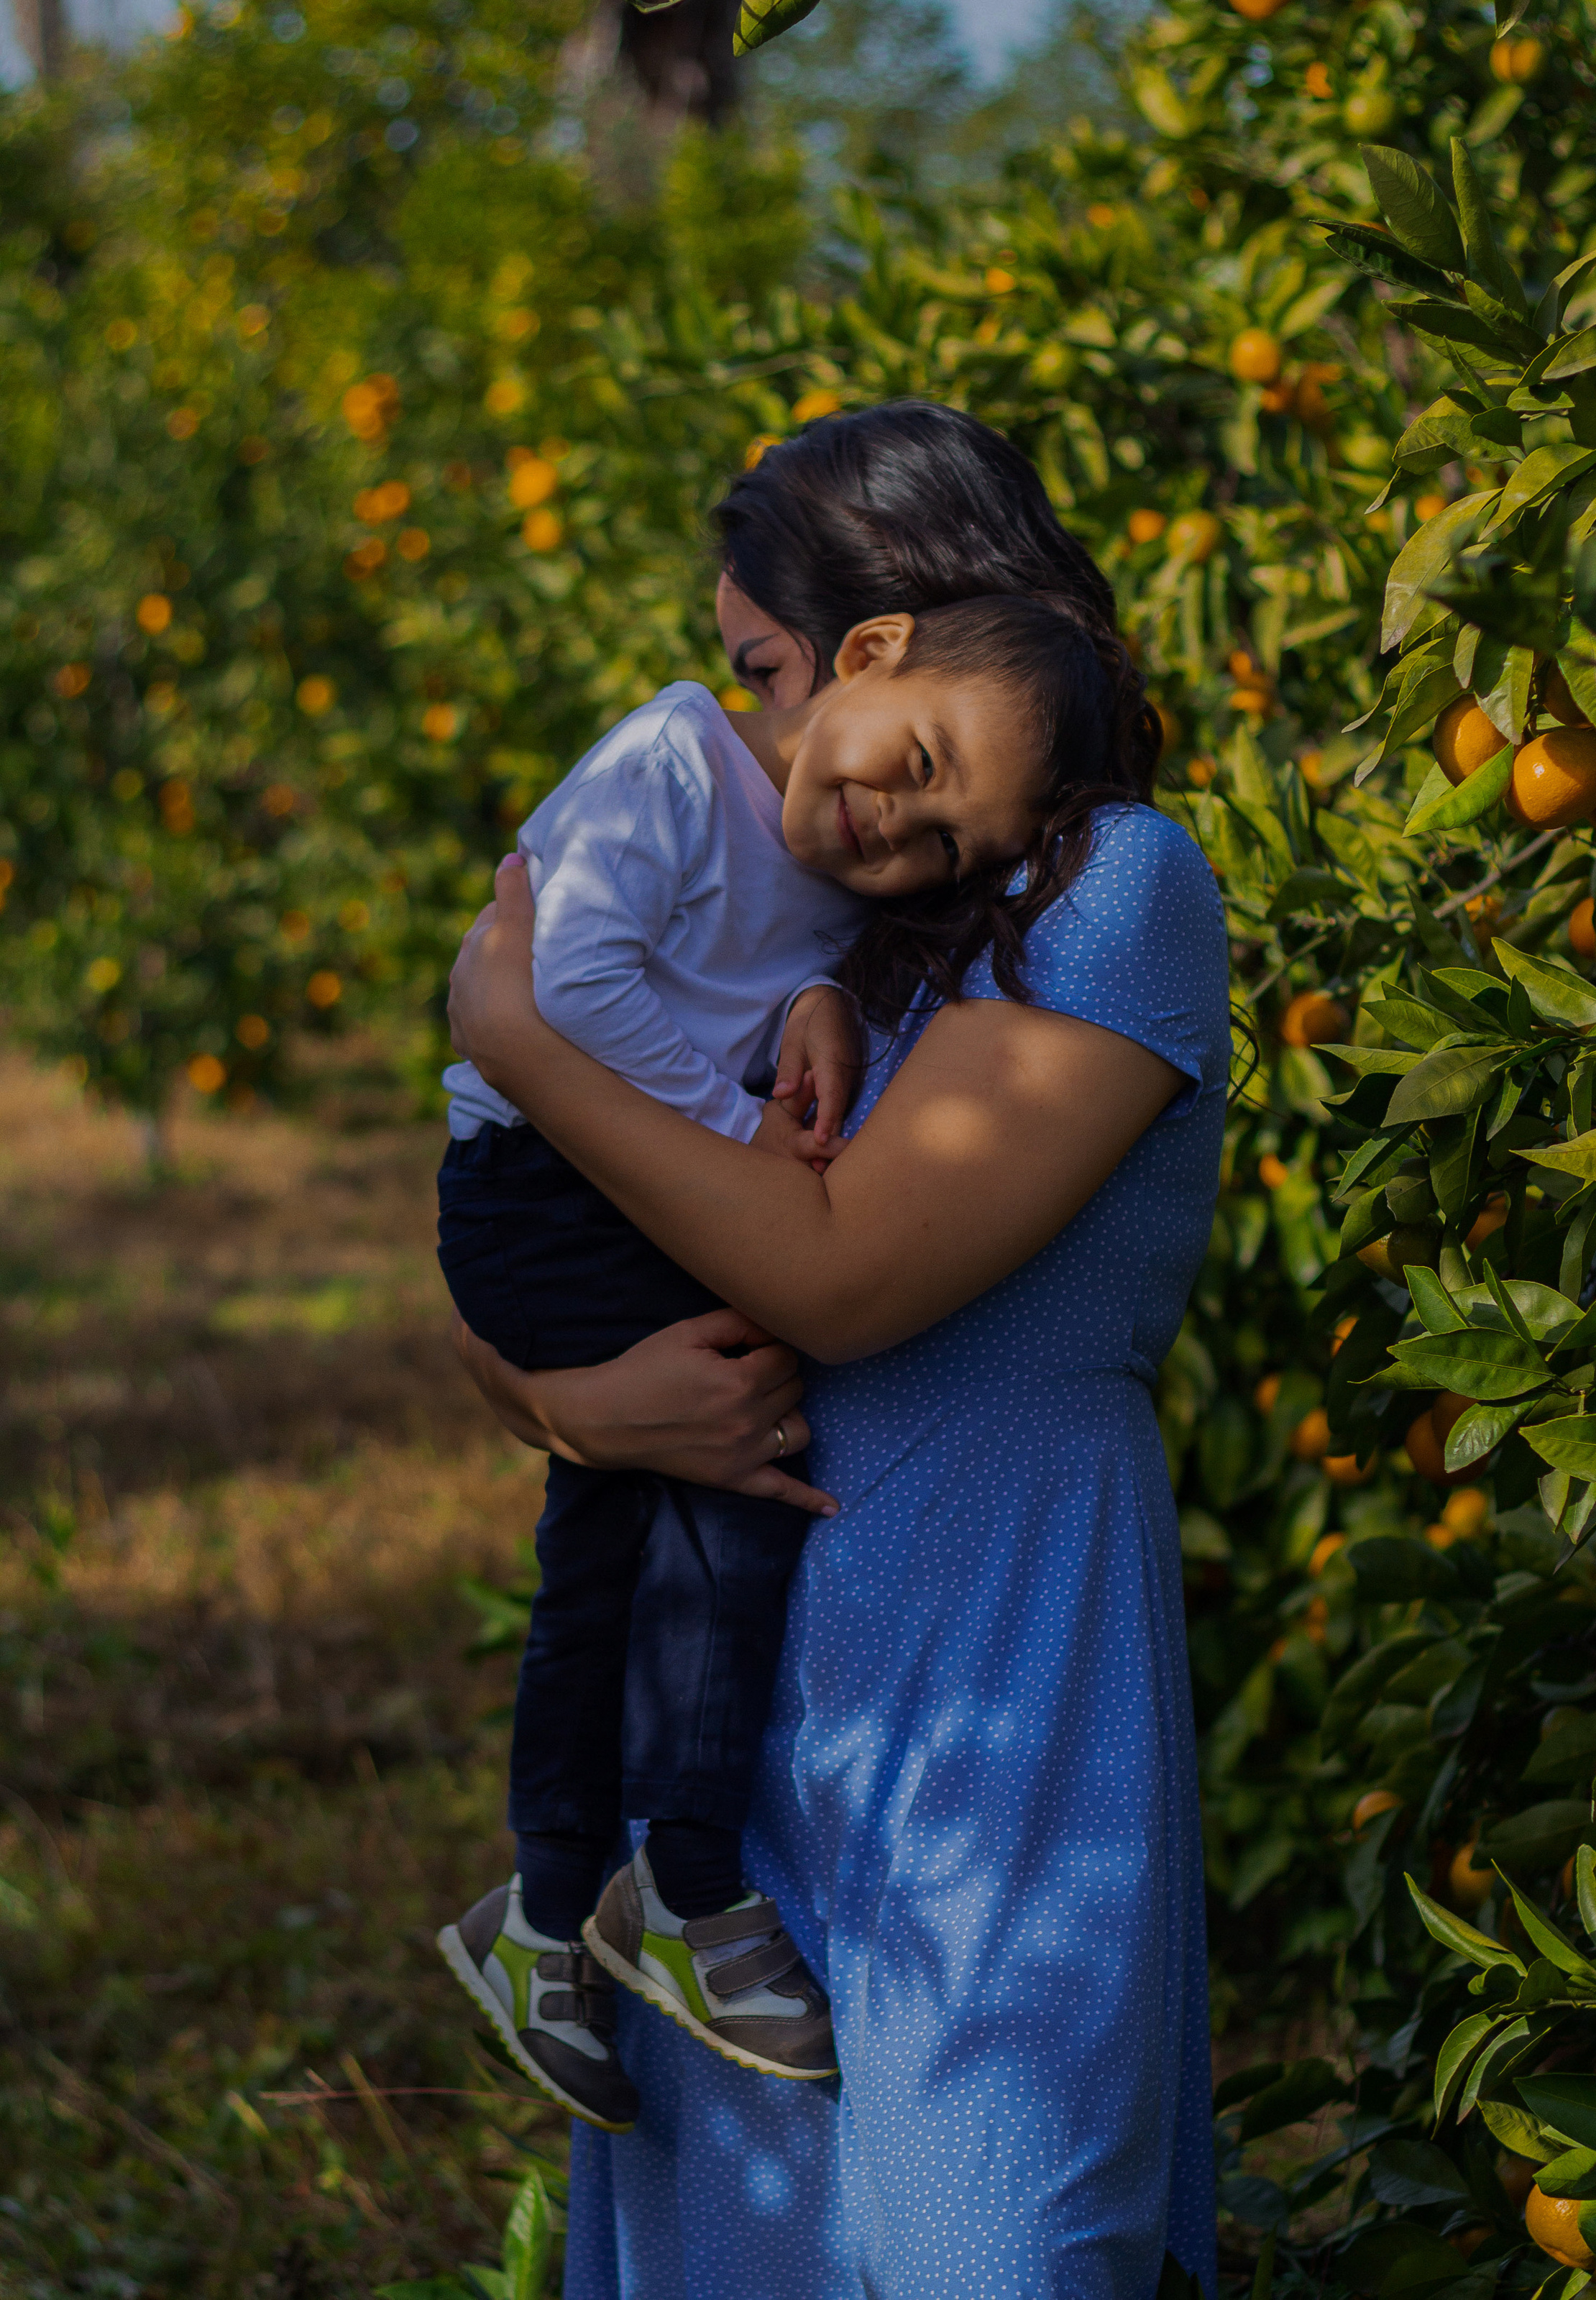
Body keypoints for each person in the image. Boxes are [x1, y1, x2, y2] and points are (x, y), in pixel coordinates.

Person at [443, 405, 1229, 2299]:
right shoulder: (835, 914)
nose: (758, 733)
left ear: (887, 633)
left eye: (769, 671)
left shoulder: (1115, 885)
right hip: (744, 1669)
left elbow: (842, 1281)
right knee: (749, 2232)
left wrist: (522, 1032)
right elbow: (554, 1248)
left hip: (988, 1634)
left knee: (995, 2220)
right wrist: (567, 1407)